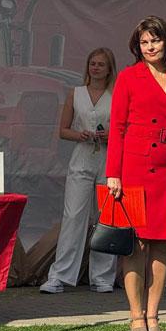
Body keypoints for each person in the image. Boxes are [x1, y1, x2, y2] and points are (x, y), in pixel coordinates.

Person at [106, 16, 166, 331]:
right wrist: (113, 173)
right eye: (144, 42)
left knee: (161, 243)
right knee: (136, 244)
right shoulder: (128, 77)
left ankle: (153, 317)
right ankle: (136, 317)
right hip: (134, 168)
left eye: (155, 40)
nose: (150, 47)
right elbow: (117, 128)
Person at [40, 48, 118, 294]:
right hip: (82, 157)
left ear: (109, 69)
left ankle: (102, 276)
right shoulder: (75, 93)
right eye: (92, 63)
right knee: (73, 215)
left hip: (109, 159)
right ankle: (60, 275)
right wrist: (79, 134)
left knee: (106, 217)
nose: (95, 68)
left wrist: (110, 135)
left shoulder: (117, 95)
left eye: (101, 64)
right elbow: (63, 130)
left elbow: (125, 129)